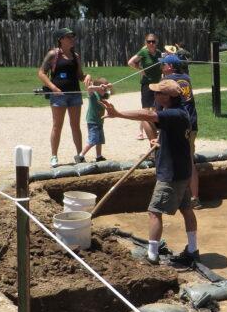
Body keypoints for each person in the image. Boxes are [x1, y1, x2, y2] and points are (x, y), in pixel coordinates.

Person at [101, 79, 199, 267]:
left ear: (167, 97)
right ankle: (193, 250)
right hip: (182, 170)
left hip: (171, 174)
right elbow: (167, 129)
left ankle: (152, 255)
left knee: (154, 212)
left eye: (157, 93)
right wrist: (159, 140)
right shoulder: (179, 112)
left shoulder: (173, 114)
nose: (153, 95)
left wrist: (118, 113)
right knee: (186, 210)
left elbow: (147, 114)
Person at [38, 27, 90, 168]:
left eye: (72, 37)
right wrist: (53, 87)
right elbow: (42, 73)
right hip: (58, 95)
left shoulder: (76, 56)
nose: (71, 39)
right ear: (60, 39)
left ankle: (79, 155)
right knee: (57, 126)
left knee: (75, 126)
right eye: (68, 37)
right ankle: (54, 156)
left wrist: (87, 77)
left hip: (75, 94)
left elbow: (80, 76)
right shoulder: (53, 54)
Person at [159, 53, 202, 209]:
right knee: (189, 159)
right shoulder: (186, 78)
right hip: (191, 123)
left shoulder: (165, 81)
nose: (161, 67)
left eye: (163, 64)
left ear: (170, 66)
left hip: (177, 123)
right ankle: (194, 198)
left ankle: (174, 198)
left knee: (174, 159)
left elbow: (159, 106)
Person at [128, 34, 163, 140]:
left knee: (156, 107)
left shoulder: (160, 53)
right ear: (146, 43)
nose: (151, 44)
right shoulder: (143, 52)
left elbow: (163, 65)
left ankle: (155, 129)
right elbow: (131, 62)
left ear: (156, 42)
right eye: (149, 42)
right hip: (147, 83)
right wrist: (140, 70)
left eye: (153, 41)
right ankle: (140, 131)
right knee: (146, 109)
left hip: (157, 84)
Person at [81, 76, 113, 163]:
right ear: (99, 88)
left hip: (99, 121)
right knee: (93, 140)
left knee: (100, 140)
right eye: (103, 88)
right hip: (92, 121)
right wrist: (100, 87)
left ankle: (99, 156)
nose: (105, 90)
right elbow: (90, 88)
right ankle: (80, 156)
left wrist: (110, 86)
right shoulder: (93, 94)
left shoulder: (103, 95)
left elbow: (112, 93)